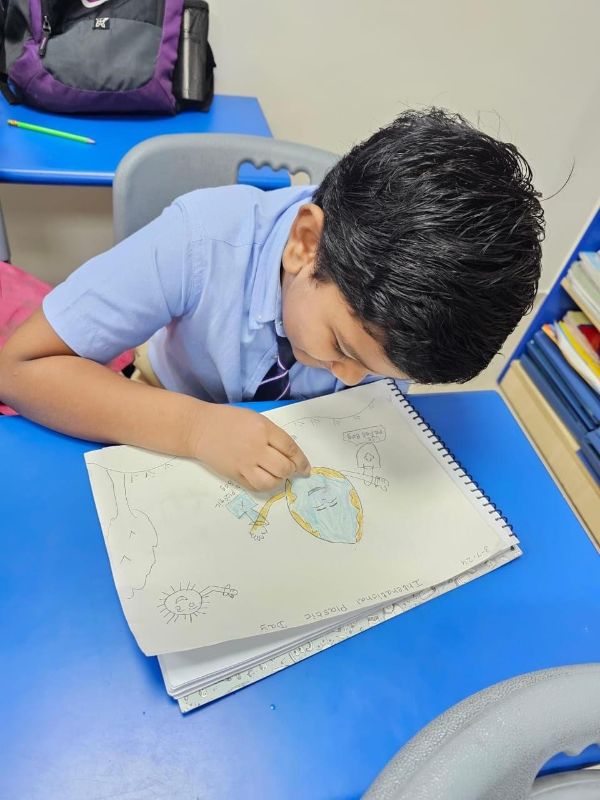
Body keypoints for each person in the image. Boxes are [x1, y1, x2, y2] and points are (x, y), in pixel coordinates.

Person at [0, 108, 544, 491]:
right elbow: (19, 370)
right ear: (305, 245)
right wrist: (195, 428)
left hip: (313, 445)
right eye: (341, 347)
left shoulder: (397, 310)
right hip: (165, 408)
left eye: (378, 370)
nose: (351, 378)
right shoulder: (200, 239)